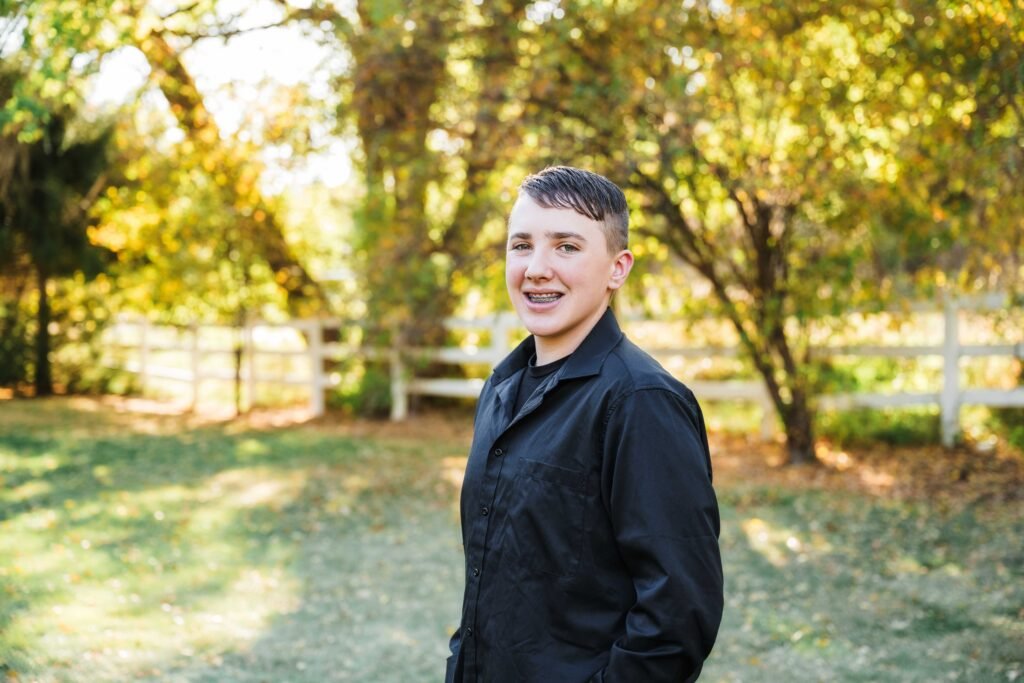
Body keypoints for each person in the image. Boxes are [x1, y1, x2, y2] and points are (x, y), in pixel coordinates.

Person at [446, 166, 723, 682]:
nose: (536, 268)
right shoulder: (503, 386)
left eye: (567, 247)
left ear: (617, 269)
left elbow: (677, 619)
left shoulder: (642, 403)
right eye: (521, 245)